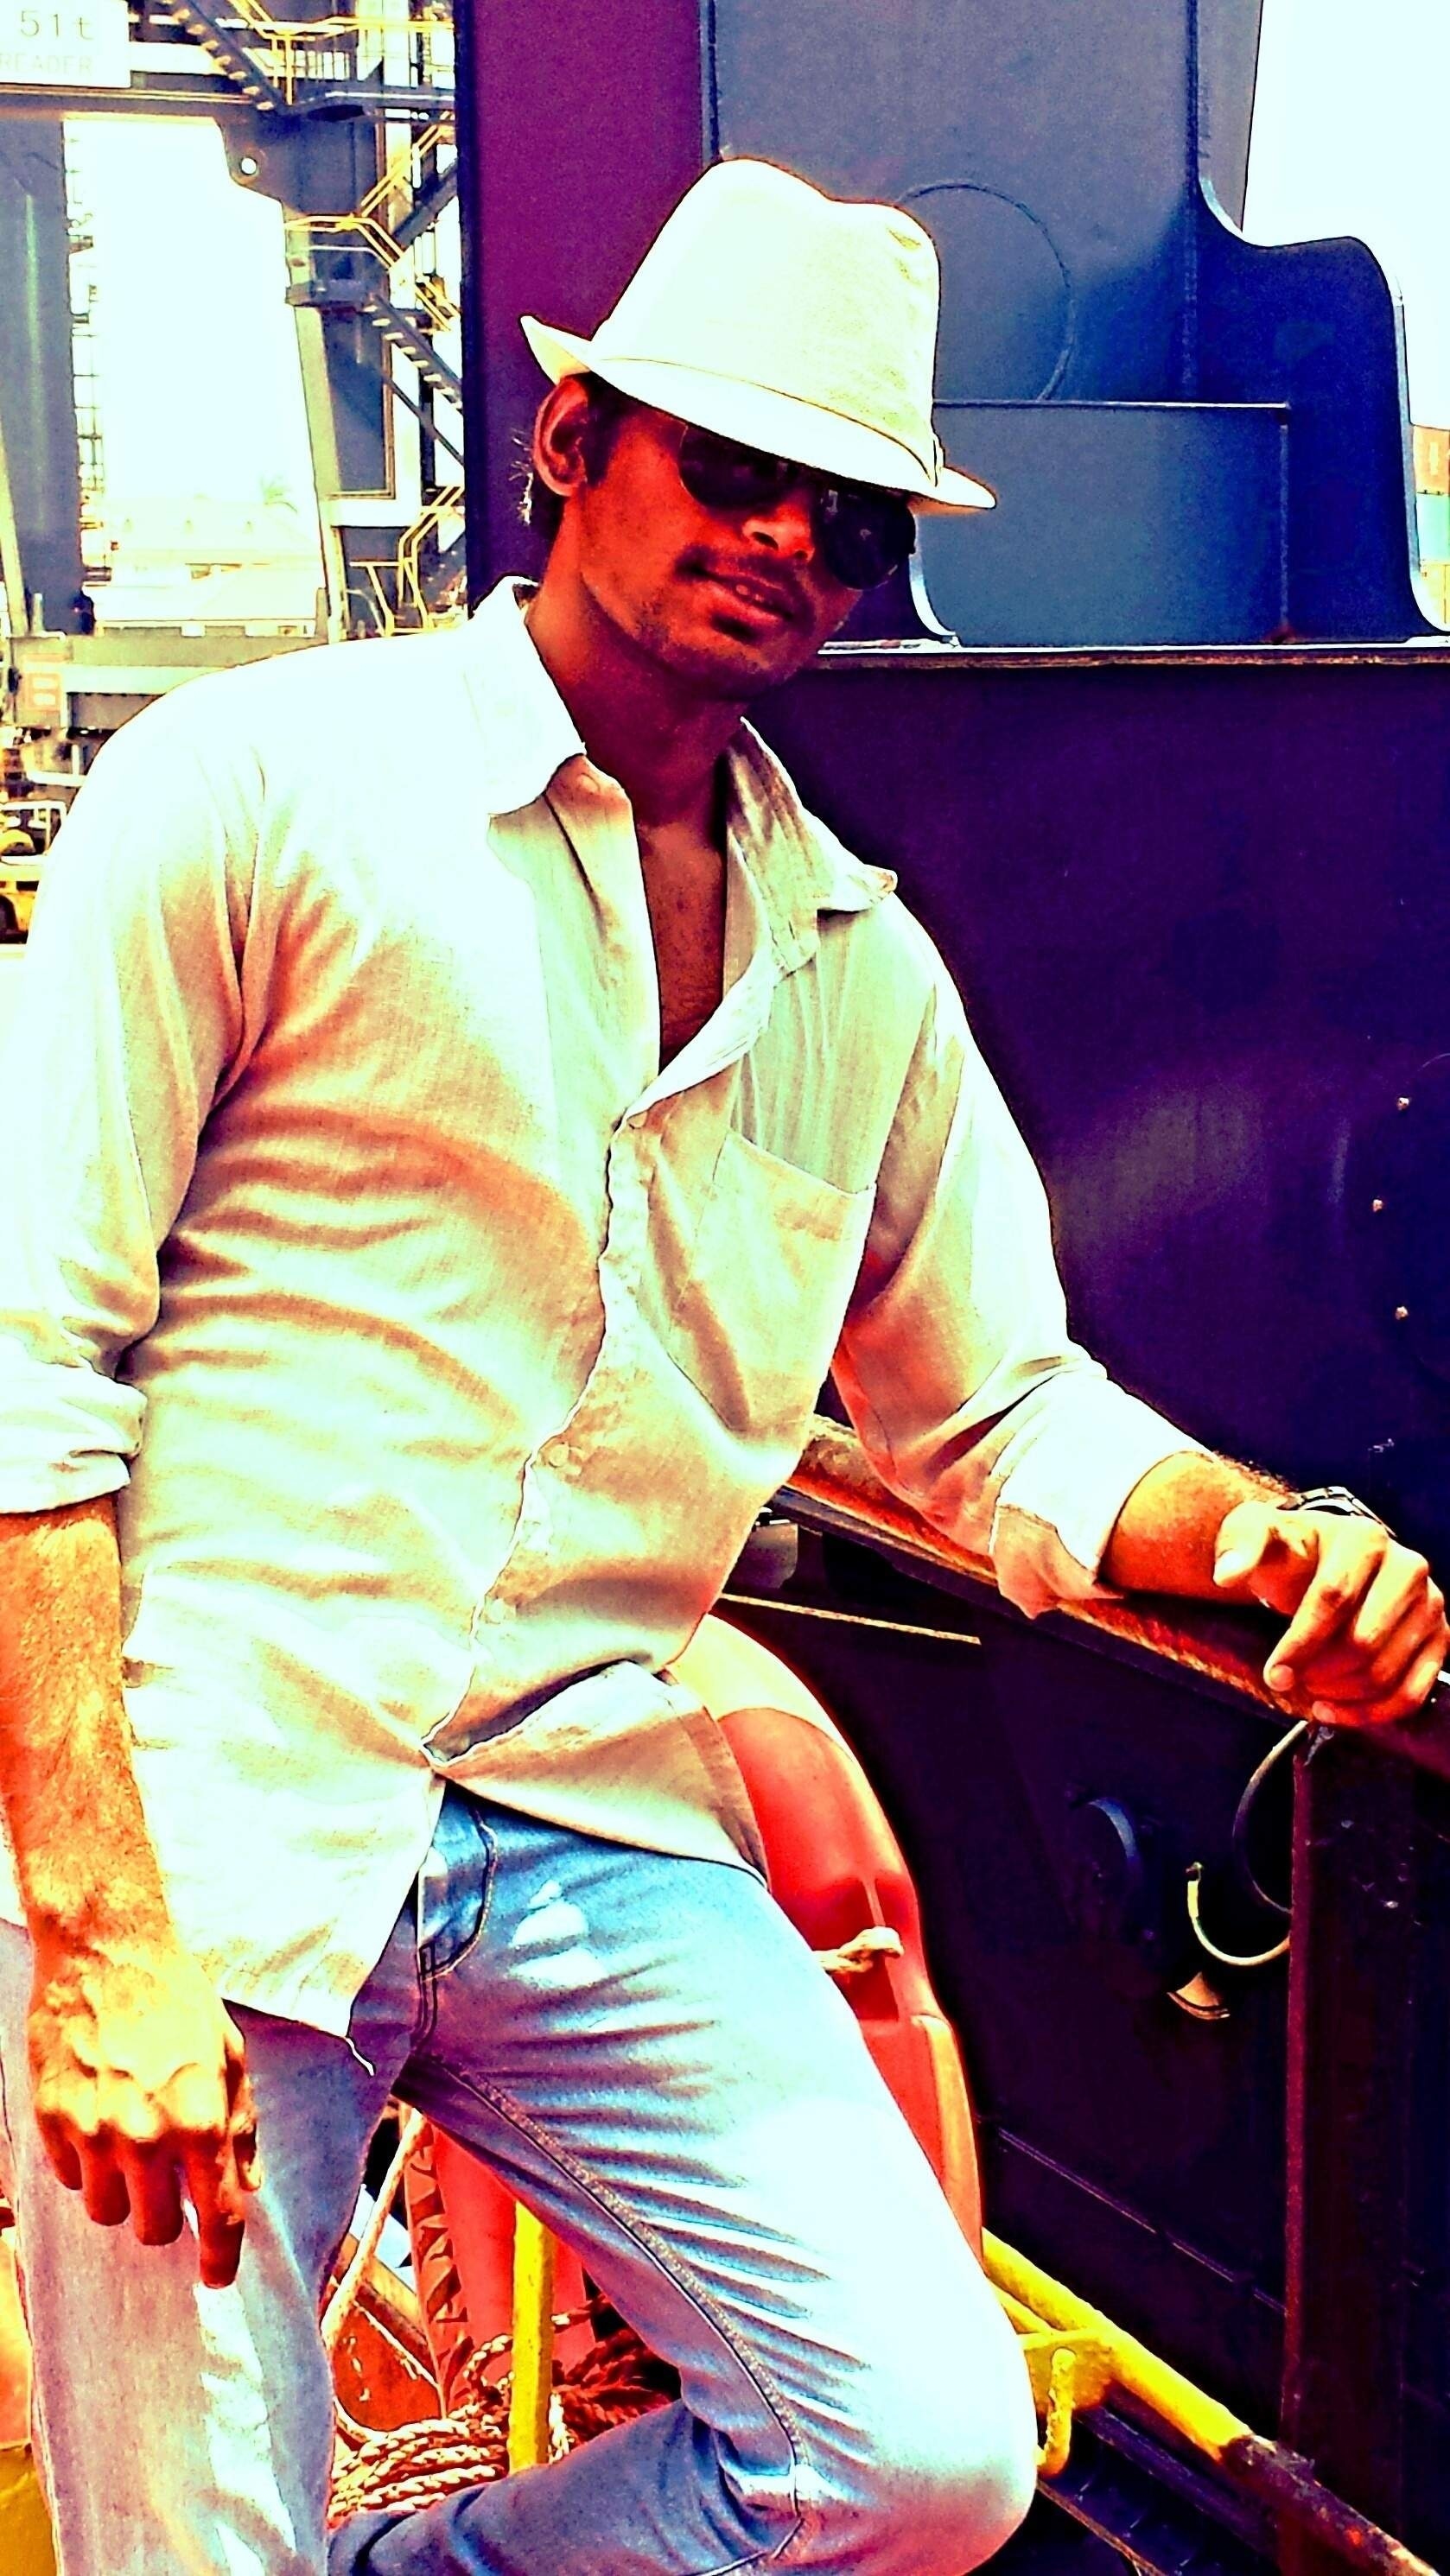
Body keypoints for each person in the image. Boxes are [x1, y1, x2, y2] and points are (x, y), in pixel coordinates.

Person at [0, 155, 1441, 2576]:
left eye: (849, 517)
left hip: (584, 1807)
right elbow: (29, 1366)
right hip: (227, 1798)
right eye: (735, 467)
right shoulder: (253, 797)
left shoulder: (852, 968)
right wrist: (96, 1932)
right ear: (574, 443)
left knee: (923, 2452)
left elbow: (998, 1411)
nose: (787, 539)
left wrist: (1282, 1540)